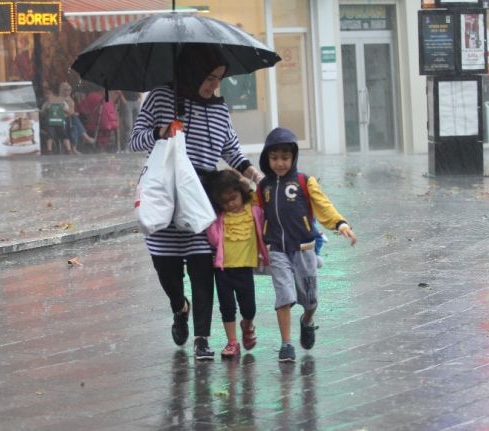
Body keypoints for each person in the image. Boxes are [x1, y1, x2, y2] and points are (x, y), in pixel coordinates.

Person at [128, 44, 263, 360]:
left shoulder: (219, 109)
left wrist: (255, 175)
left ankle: (202, 337)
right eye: (209, 77)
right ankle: (179, 306)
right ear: (192, 69)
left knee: (203, 270)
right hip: (165, 195)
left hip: (204, 199)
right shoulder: (162, 97)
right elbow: (134, 140)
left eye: (218, 78)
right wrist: (162, 131)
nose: (214, 85)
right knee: (167, 268)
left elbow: (231, 150)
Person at [257, 127, 357, 362]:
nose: (280, 163)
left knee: (310, 300)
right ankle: (286, 344)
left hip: (304, 250)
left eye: (284, 158)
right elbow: (253, 211)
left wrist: (340, 224)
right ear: (266, 159)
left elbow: (323, 205)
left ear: (293, 158)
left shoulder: (304, 181)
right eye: (274, 158)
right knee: (284, 295)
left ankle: (307, 320)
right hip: (278, 251)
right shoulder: (264, 188)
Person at [205, 170, 269, 358]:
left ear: (241, 192)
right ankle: (232, 342)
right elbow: (214, 240)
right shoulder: (220, 217)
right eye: (225, 201)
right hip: (223, 269)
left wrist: (243, 178)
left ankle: (247, 325)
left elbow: (260, 191)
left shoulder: (253, 209)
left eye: (233, 198)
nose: (230, 204)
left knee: (249, 307)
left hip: (245, 268)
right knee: (227, 307)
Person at [40, 86, 75, 154]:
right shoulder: (46, 104)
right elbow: (42, 115)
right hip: (50, 123)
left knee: (64, 134)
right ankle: (49, 150)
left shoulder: (62, 102)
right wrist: (45, 111)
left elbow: (70, 112)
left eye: (48, 94)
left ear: (53, 95)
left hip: (60, 122)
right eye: (46, 94)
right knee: (50, 133)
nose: (47, 96)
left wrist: (63, 109)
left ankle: (69, 150)